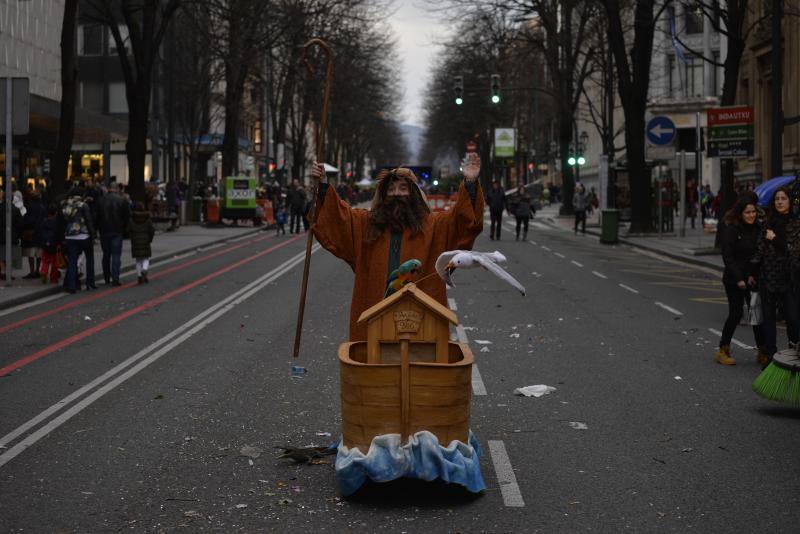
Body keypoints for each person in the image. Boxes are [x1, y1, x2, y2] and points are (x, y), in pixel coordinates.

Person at [310, 154, 484, 341]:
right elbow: (338, 219)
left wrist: (471, 182)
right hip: (375, 318)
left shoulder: (434, 226)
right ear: (383, 195)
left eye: (403, 188)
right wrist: (323, 185)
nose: (396, 193)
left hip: (421, 322)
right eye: (391, 189)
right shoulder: (366, 225)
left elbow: (462, 223)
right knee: (377, 365)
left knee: (421, 364)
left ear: (414, 194)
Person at [715, 197, 764, 366]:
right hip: (734, 280)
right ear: (740, 213)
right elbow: (728, 257)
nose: (751, 215)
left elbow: (759, 255)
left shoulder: (758, 228)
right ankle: (723, 349)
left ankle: (762, 351)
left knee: (756, 315)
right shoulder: (732, 230)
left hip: (752, 279)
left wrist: (753, 275)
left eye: (753, 212)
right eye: (747, 212)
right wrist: (739, 279)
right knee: (735, 314)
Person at [751, 187, 797, 365]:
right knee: (768, 319)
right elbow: (759, 250)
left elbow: (793, 251)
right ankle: (770, 356)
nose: (779, 202)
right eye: (777, 199)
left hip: (789, 279)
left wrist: (775, 239)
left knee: (792, 318)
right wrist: (751, 274)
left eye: (783, 198)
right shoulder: (767, 223)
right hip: (768, 277)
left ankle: (794, 354)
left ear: (790, 201)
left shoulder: (796, 223)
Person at [61, 186, 96, 293]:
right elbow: (88, 220)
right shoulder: (83, 205)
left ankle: (72, 285)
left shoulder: (66, 204)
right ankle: (90, 283)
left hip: (70, 236)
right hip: (83, 235)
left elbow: (63, 221)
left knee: (72, 260)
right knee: (90, 258)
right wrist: (93, 234)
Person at [96, 182, 130, 286]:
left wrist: (98, 229)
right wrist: (124, 229)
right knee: (116, 255)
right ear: (117, 189)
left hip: (104, 230)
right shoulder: (122, 200)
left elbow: (97, 216)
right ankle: (115, 278)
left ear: (108, 188)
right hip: (117, 230)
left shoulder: (101, 200)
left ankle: (106, 277)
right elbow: (126, 216)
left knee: (106, 254)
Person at [21, 189, 46, 278]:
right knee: (38, 253)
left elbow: (28, 220)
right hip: (40, 232)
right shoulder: (42, 207)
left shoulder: (29, 207)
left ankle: (32, 272)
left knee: (30, 253)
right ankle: (37, 270)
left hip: (30, 232)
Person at [128, 202, 155, 284]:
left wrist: (132, 238)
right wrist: (150, 239)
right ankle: (145, 269)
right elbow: (152, 230)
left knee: (138, 259)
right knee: (146, 258)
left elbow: (129, 230)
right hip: (145, 240)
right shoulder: (147, 218)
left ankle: (139, 276)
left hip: (135, 241)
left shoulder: (132, 219)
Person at [0, 189, 24, 281]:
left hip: (1, 235)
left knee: (1, 253)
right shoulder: (15, 210)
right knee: (10, 255)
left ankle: (2, 271)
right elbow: (20, 224)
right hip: (13, 235)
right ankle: (8, 273)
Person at [38, 204, 61, 284]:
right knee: (54, 262)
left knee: (45, 260)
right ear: (56, 213)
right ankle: (53, 278)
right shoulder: (57, 222)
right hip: (54, 243)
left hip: (45, 243)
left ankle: (44, 273)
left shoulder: (44, 221)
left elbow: (41, 232)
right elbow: (58, 233)